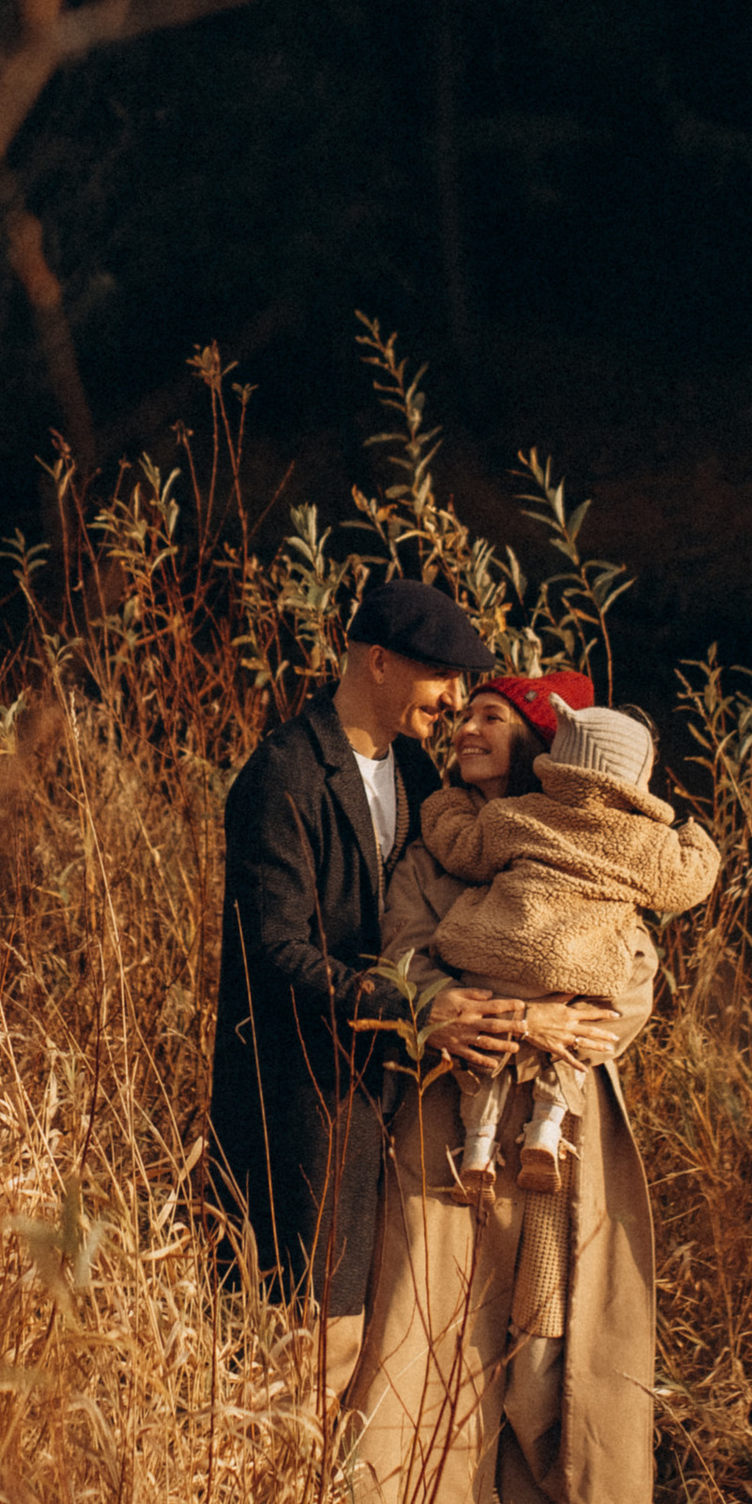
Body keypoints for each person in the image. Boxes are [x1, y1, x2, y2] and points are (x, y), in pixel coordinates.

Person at [343, 671, 683, 1504]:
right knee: (435, 1336)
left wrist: (569, 1018)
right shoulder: (432, 855)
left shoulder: (594, 852)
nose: (464, 730)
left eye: (493, 718)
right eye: (465, 715)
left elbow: (629, 981)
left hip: (564, 1134)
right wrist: (517, 1014)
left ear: (542, 746)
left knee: (556, 1352)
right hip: (448, 1120)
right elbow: (405, 960)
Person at [209, 575, 515, 1377]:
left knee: (375, 1343)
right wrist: (416, 1012)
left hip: (389, 1103)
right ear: (378, 661)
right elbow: (275, 953)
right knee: (307, 1344)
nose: (456, 700)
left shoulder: (415, 772)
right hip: (303, 1104)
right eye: (441, 675)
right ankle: (272, 1467)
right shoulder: (282, 775)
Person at [422, 702, 720, 1199]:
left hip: (494, 961)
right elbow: (689, 880)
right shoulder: (646, 843)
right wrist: (693, 834)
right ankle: (546, 1129)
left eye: (492, 717)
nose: (468, 728)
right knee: (577, 1037)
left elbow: (462, 847)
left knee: (486, 1065)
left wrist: (444, 804)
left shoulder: (515, 816)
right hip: (578, 977)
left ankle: (476, 1149)